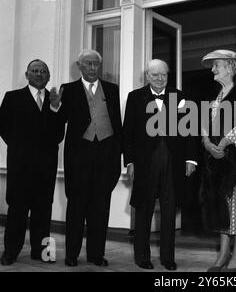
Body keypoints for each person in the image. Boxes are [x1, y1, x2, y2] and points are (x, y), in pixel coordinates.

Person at [49, 49, 122, 267]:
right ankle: (72, 254)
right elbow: (59, 123)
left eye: (95, 64)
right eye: (87, 64)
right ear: (79, 66)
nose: (92, 68)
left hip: (105, 159)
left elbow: (116, 124)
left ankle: (96, 255)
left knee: (100, 209)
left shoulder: (112, 89)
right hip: (79, 159)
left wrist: (118, 157)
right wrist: (54, 107)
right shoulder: (68, 89)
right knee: (76, 209)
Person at [123, 59, 197, 271]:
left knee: (169, 209)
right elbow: (127, 133)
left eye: (164, 74)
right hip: (145, 161)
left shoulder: (180, 97)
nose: (160, 78)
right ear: (147, 76)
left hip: (173, 161)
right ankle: (142, 256)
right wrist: (129, 161)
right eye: (155, 75)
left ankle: (167, 258)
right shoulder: (135, 97)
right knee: (144, 209)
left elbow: (190, 131)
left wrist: (191, 159)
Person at [0, 60, 64, 265]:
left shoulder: (55, 101)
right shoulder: (12, 97)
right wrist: (20, 147)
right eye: (35, 71)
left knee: (44, 210)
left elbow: (58, 134)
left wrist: (55, 109)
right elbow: (3, 127)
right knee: (17, 210)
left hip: (46, 165)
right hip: (20, 164)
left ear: (49, 76)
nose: (39, 74)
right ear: (27, 74)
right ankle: (10, 252)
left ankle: (42, 251)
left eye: (43, 71)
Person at [199, 50, 236, 272]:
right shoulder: (215, 92)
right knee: (221, 205)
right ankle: (223, 253)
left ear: (232, 66)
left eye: (218, 65)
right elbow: (203, 121)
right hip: (216, 158)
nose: (213, 69)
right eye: (213, 66)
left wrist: (223, 143)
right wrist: (206, 142)